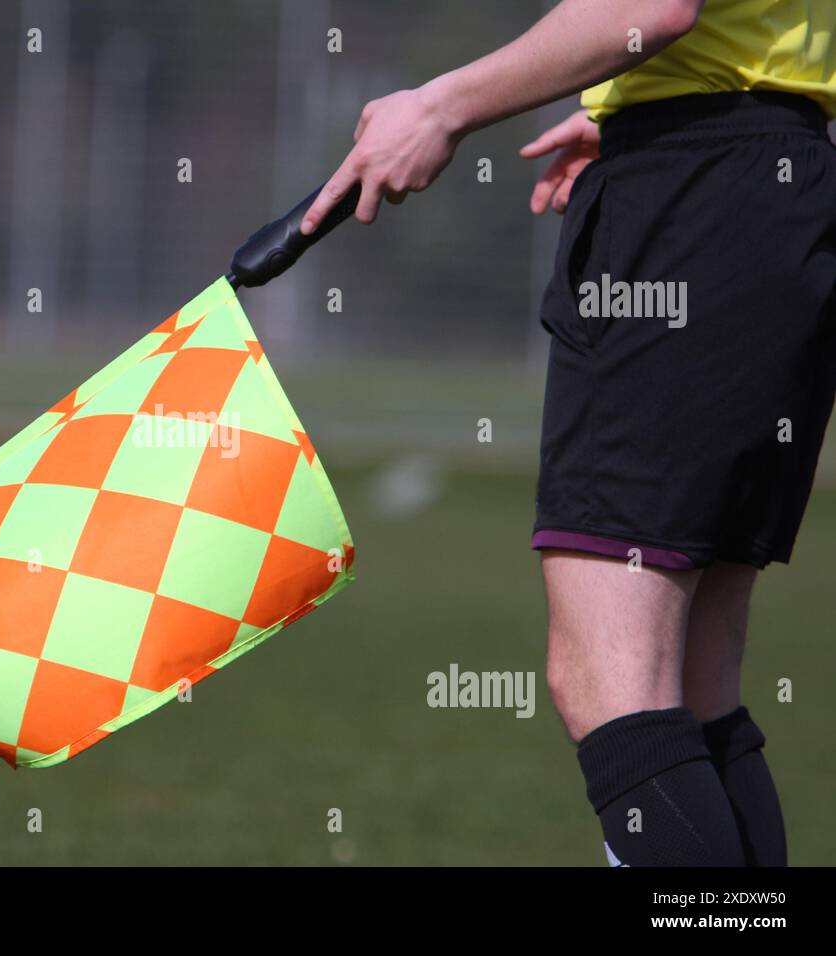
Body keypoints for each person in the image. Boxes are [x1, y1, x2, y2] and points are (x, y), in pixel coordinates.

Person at [301, 0, 836, 866]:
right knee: (695, 693)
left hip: (689, 205)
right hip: (782, 182)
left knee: (614, 688)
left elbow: (656, 6)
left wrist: (439, 106)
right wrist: (630, 104)